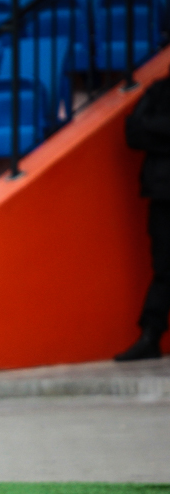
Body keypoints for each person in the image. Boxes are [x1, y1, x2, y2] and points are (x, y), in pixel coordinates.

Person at [119, 67, 170, 361]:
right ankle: (150, 336)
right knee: (164, 266)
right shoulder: (158, 91)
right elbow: (133, 133)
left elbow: (145, 128)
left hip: (161, 184)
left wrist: (157, 130)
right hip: (162, 192)